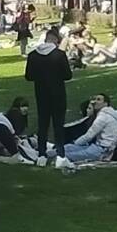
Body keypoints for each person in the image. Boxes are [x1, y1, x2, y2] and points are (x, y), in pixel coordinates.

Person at [26, 29, 74, 170]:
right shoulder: (59, 55)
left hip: (41, 93)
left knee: (43, 124)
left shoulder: (33, 55)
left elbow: (28, 76)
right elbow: (67, 75)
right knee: (58, 125)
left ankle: (41, 155)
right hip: (58, 94)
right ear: (55, 40)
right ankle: (61, 156)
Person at [44, 93, 117, 165]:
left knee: (65, 154)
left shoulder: (103, 117)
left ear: (105, 104)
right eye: (95, 99)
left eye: (98, 100)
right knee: (67, 147)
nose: (95, 101)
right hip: (97, 146)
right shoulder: (106, 114)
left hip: (102, 150)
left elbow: (89, 136)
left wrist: (75, 143)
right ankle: (44, 154)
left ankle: (46, 157)